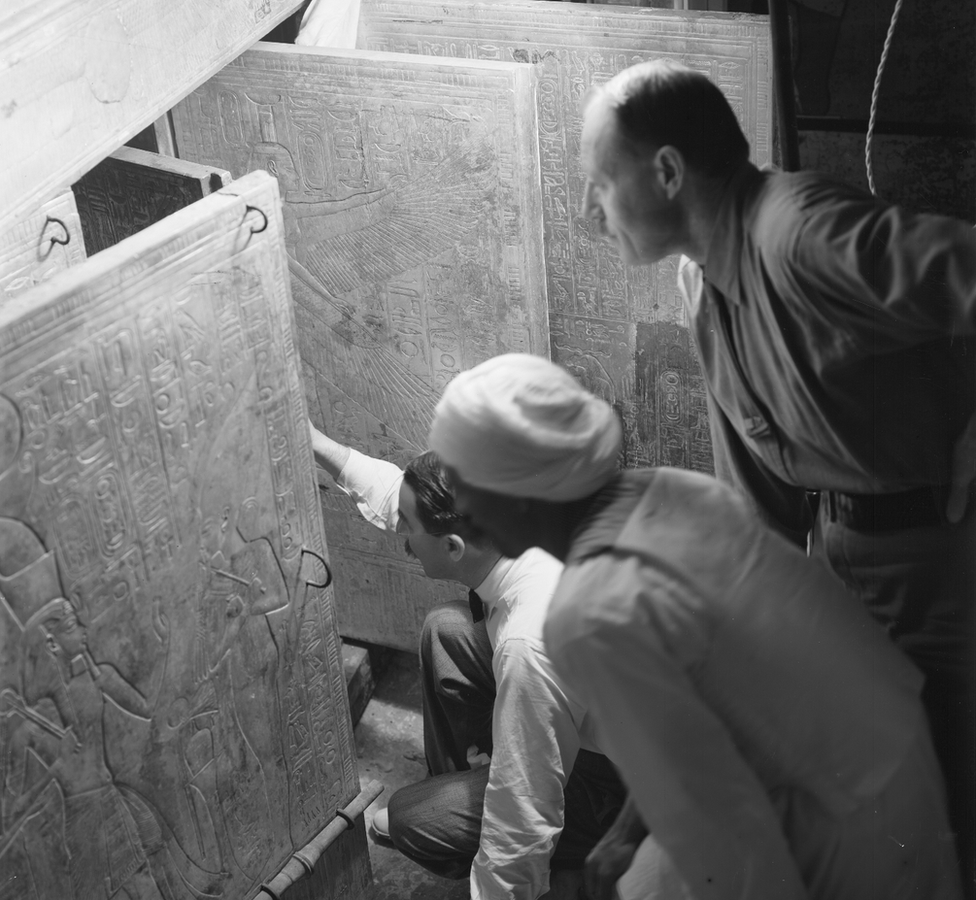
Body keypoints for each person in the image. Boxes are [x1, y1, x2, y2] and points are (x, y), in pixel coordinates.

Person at [578, 58, 976, 889]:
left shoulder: (798, 234)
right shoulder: (704, 289)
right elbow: (754, 527)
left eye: (601, 182)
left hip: (943, 562)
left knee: (950, 813)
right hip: (841, 563)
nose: (592, 209)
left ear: (668, 171)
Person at [428, 352, 963, 900]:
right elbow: (704, 718)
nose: (461, 505)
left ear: (516, 492)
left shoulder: (590, 614)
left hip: (842, 831)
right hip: (896, 761)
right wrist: (627, 834)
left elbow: (722, 839)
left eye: (465, 482)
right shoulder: (673, 492)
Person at [309, 424, 626, 900]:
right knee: (447, 631)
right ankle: (473, 786)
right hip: (596, 715)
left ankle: (581, 855)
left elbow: (525, 812)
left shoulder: (529, 641)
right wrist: (317, 443)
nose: (404, 539)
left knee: (411, 819)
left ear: (454, 548)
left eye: (410, 533)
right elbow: (409, 498)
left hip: (625, 788)